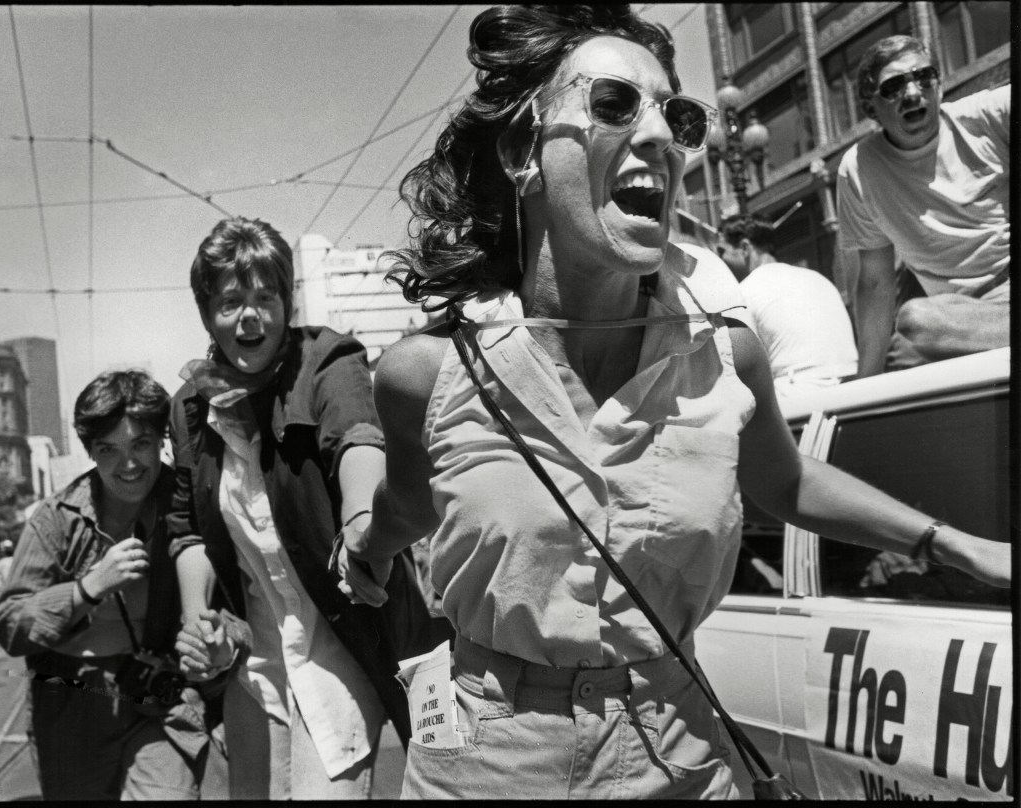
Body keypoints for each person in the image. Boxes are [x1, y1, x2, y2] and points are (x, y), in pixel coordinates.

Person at [337, 5, 1011, 800]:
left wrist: (951, 543)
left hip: (677, 756)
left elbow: (785, 484)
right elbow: (408, 507)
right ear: (524, 150)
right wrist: (363, 544)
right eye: (615, 104)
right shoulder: (427, 373)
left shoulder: (729, 354)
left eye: (677, 116)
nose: (661, 136)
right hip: (486, 758)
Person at [168, 216, 442, 800]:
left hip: (344, 641)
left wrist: (362, 528)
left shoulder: (326, 359)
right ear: (205, 313)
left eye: (266, 297)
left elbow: (357, 436)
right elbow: (188, 532)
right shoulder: (190, 406)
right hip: (257, 658)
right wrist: (199, 622)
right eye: (230, 301)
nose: (250, 316)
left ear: (286, 302)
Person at [0, 369, 225, 800]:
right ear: (91, 453)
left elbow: (236, 603)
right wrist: (88, 588)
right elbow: (8, 624)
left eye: (141, 444)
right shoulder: (57, 518)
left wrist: (216, 644)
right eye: (109, 449)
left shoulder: (190, 503)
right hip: (75, 691)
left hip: (160, 695)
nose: (129, 464)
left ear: (162, 442)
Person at [836, 35, 1009, 377]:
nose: (913, 93)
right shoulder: (858, 170)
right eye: (894, 87)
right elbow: (875, 284)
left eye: (923, 77)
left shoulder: (990, 114)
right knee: (913, 325)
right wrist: (862, 388)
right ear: (871, 109)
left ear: (939, 86)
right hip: (956, 318)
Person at [717, 214, 858, 397]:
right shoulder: (816, 278)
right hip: (853, 390)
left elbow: (741, 372)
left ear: (745, 248)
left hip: (800, 398)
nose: (719, 261)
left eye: (721, 252)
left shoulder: (742, 293)